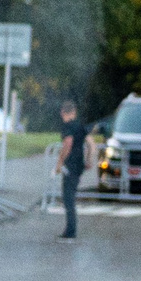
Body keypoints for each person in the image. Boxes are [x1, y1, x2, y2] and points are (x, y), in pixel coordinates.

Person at [55, 100, 86, 238]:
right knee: (71, 196)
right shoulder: (80, 126)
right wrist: (89, 160)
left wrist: (60, 162)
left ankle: (70, 231)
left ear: (63, 112)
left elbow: (68, 143)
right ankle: (70, 229)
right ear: (74, 112)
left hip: (70, 165)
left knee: (68, 198)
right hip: (79, 164)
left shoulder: (67, 127)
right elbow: (91, 144)